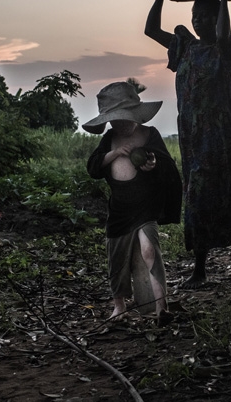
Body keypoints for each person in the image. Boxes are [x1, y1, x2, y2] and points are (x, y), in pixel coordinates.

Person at [144, 0, 231, 289]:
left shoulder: (227, 50)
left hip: (218, 138)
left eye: (206, 16)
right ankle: (213, 263)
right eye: (195, 15)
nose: (198, 21)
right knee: (197, 198)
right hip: (192, 137)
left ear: (218, 17)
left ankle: (227, 257)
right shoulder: (186, 47)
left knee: (219, 198)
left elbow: (222, 34)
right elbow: (151, 30)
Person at [84, 82, 181, 324]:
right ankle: (119, 305)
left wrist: (153, 164)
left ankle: (162, 307)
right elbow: (94, 167)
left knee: (150, 251)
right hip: (120, 210)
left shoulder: (150, 134)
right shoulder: (109, 139)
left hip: (145, 207)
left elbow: (166, 165)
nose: (121, 125)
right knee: (117, 259)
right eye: (115, 121)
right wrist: (116, 153)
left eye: (125, 120)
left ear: (136, 116)